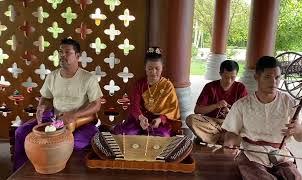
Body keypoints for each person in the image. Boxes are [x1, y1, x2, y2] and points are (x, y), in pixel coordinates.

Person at [14, 38, 103, 170]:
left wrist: (73, 114)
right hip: (56, 121)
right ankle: (21, 172)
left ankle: (66, 172)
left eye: (67, 52)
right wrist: (42, 106)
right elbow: (46, 98)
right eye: (60, 52)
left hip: (81, 122)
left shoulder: (88, 78)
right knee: (21, 132)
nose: (62, 55)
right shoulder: (52, 76)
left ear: (77, 56)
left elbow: (96, 104)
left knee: (75, 142)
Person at [222, 56, 302, 180]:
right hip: (252, 153)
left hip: (280, 154)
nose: (274, 82)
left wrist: (299, 130)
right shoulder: (242, 104)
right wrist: (229, 143)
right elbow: (231, 132)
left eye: (277, 77)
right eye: (268, 77)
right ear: (257, 77)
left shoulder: (290, 103)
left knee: (295, 177)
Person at [112, 47, 180, 137]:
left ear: (162, 68)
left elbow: (172, 109)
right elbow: (134, 105)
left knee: (162, 136)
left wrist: (160, 119)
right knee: (126, 134)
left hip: (159, 122)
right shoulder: (139, 84)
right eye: (150, 68)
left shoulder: (167, 86)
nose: (153, 72)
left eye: (157, 68)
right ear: (145, 68)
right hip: (139, 120)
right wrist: (140, 117)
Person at [186, 60, 248, 144]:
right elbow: (197, 110)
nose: (229, 81)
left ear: (236, 75)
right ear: (220, 74)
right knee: (191, 119)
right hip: (211, 123)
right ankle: (224, 138)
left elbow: (246, 113)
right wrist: (216, 105)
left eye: (233, 77)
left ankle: (210, 137)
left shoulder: (240, 88)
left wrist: (231, 113)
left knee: (248, 126)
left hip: (231, 124)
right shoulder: (210, 87)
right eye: (226, 77)